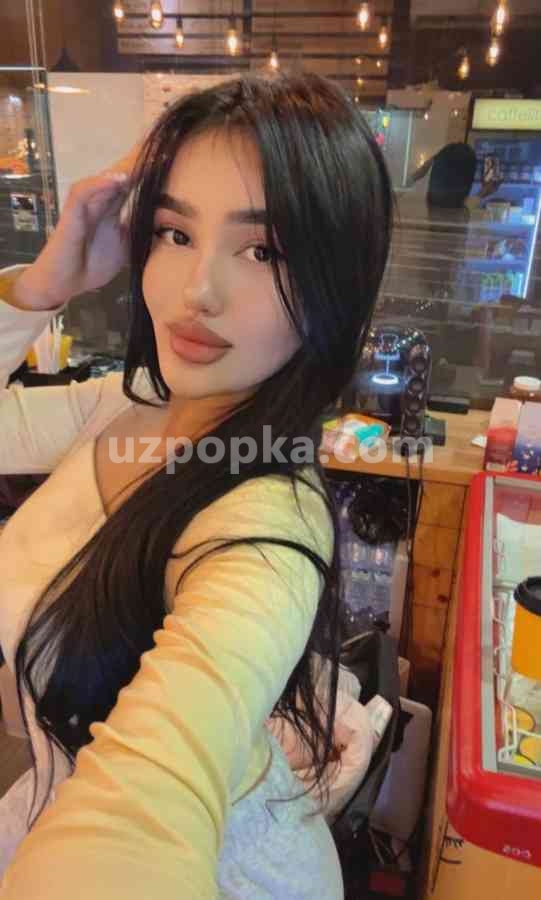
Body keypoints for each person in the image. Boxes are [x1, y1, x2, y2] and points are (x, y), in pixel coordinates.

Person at [0, 72, 392, 899]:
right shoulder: (122, 408)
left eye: (263, 251)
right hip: (45, 804)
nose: (195, 291)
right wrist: (40, 288)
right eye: (174, 233)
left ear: (335, 281)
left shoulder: (266, 523)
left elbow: (141, 814)